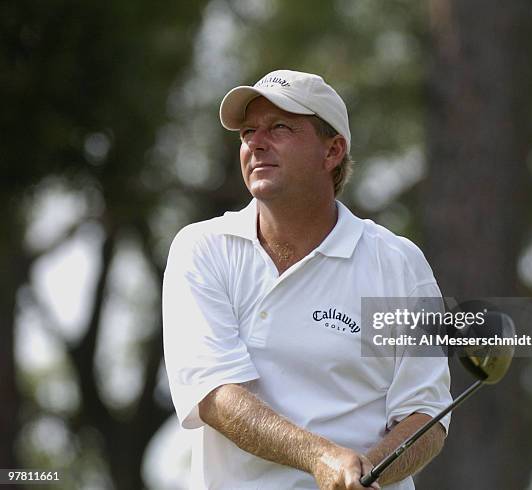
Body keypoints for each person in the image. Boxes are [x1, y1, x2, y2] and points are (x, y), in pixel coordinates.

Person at [162, 69, 452, 490]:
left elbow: (425, 413)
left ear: (332, 151)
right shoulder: (204, 248)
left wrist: (369, 470)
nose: (255, 143)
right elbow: (215, 396)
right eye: (247, 132)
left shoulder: (397, 264)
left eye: (279, 127)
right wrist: (322, 457)